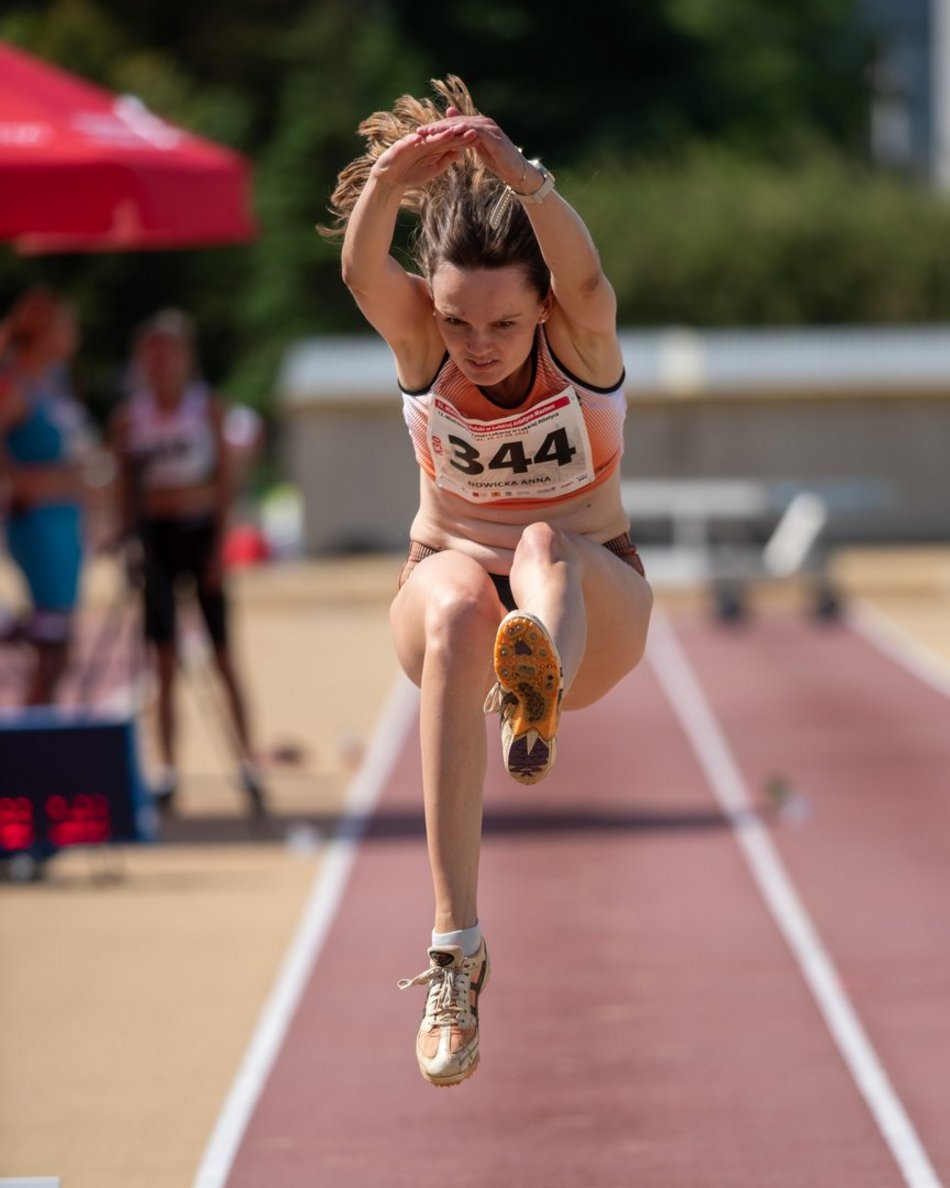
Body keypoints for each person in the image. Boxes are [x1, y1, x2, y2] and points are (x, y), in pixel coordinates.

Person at [322, 76, 653, 1087]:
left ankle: (534, 678)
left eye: (501, 326)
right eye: (458, 322)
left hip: (589, 596)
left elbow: (585, 274)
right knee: (466, 591)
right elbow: (359, 270)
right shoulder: (423, 343)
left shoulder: (580, 338)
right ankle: (453, 953)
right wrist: (390, 176)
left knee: (544, 544)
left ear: (540, 306)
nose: (476, 346)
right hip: (446, 582)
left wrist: (524, 178)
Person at [110, 309, 266, 816]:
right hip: (155, 540)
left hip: (199, 535)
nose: (160, 363)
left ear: (185, 357)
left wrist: (220, 546)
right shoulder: (130, 417)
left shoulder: (207, 408)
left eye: (168, 353)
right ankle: (167, 769)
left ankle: (248, 762)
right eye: (151, 354)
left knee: (222, 655)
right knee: (162, 660)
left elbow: (225, 482)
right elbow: (122, 485)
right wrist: (127, 544)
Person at [0, 286, 94, 705]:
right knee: (52, 645)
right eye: (66, 326)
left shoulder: (55, 381)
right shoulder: (16, 383)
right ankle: (32, 733)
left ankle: (39, 727)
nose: (74, 335)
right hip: (39, 521)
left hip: (66, 517)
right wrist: (18, 480)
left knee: (60, 646)